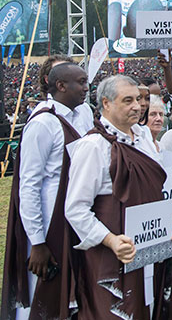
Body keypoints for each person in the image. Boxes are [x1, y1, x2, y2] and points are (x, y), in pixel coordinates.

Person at [64, 75, 172, 319]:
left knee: (148, 307)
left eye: (138, 99)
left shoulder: (144, 138)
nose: (137, 106)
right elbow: (76, 209)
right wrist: (110, 241)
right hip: (113, 252)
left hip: (150, 247)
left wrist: (169, 228)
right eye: (127, 100)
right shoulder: (94, 146)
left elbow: (155, 190)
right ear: (106, 103)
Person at [1, 64, 93, 319]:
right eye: (81, 82)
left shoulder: (84, 112)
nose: (87, 88)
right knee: (42, 290)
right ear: (61, 86)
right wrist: (37, 242)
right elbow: (28, 184)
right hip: (48, 220)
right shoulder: (42, 123)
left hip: (75, 216)